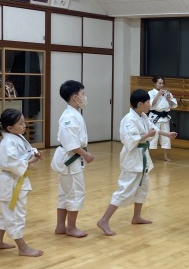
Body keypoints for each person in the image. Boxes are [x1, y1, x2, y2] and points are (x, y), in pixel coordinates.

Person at [97, 89, 177, 236]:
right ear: (140, 104)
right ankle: (104, 220)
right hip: (132, 159)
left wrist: (167, 134)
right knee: (124, 190)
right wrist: (147, 135)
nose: (149, 104)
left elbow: (154, 129)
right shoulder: (128, 120)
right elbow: (130, 140)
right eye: (147, 102)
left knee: (143, 188)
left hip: (143, 157)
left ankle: (136, 216)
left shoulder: (143, 116)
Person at [0, 109, 43, 257]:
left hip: (17, 179)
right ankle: (22, 247)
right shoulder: (7, 142)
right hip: (11, 182)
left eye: (24, 122)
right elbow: (11, 162)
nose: (24, 125)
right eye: (20, 123)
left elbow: (26, 151)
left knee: (6, 212)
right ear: (10, 128)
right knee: (15, 214)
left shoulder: (17, 137)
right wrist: (31, 160)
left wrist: (34, 153)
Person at [51, 80, 93, 238]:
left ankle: (61, 226)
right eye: (83, 94)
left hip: (70, 160)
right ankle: (71, 227)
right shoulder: (69, 117)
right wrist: (86, 155)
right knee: (75, 193)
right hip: (71, 159)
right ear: (76, 97)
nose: (85, 97)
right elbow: (71, 143)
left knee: (65, 193)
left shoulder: (74, 114)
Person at [148, 76, 178, 161]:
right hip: (155, 117)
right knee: (152, 136)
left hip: (165, 118)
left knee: (166, 137)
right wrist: (158, 95)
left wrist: (168, 99)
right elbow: (151, 105)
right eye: (159, 83)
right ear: (154, 83)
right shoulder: (151, 93)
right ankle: (148, 155)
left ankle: (165, 156)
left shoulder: (167, 92)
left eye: (162, 83)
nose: (161, 85)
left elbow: (172, 105)